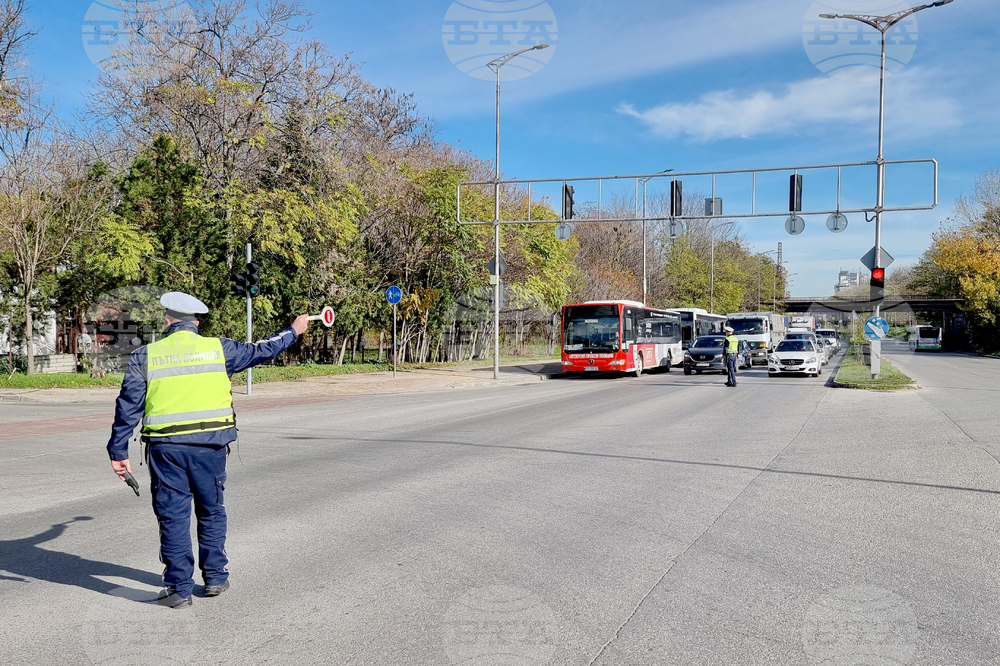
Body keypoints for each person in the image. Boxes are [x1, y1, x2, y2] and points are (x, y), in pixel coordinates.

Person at [107, 291, 309, 608]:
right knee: (211, 511)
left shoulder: (146, 356)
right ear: (197, 322)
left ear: (168, 319)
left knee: (173, 517)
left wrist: (118, 451)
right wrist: (294, 330)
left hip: (166, 449)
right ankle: (214, 577)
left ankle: (179, 590)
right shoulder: (220, 349)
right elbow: (263, 350)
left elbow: (127, 408)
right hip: (210, 447)